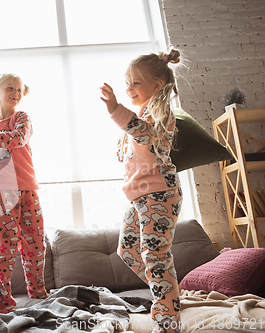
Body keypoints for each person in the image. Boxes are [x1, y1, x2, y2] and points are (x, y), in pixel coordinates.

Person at [100, 49, 184, 333]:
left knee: (156, 256)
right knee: (128, 249)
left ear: (156, 86)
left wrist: (115, 110)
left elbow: (146, 134)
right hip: (140, 195)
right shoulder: (141, 114)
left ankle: (167, 319)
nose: (128, 88)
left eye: (135, 83)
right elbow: (137, 143)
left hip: (158, 193)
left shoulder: (160, 111)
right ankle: (170, 296)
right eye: (127, 82)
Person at [0, 73, 48, 313]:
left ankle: (38, 294)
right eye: (10, 88)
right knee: (3, 248)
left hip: (26, 189)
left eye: (19, 89)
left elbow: (18, 138)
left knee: (34, 244)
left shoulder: (21, 118)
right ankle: (1, 303)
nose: (16, 93)